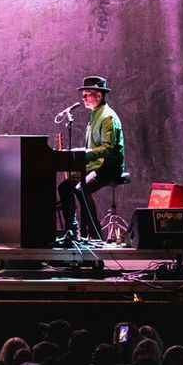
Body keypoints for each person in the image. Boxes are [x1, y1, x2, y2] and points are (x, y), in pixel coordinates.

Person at [57, 75, 124, 244]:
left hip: (108, 167)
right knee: (65, 187)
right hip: (95, 165)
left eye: (87, 95)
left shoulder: (107, 117)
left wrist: (83, 154)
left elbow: (108, 149)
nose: (83, 98)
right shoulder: (94, 115)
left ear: (98, 96)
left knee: (81, 189)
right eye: (83, 95)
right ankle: (72, 230)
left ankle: (96, 236)